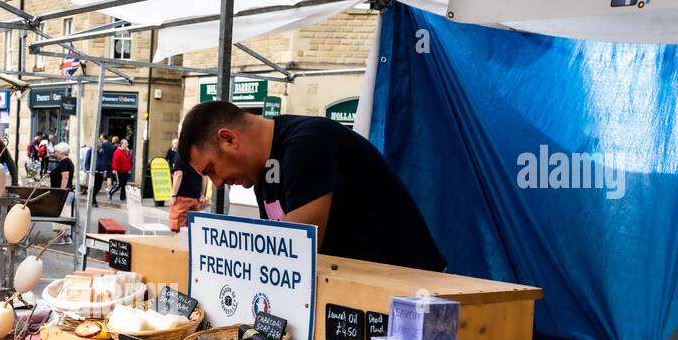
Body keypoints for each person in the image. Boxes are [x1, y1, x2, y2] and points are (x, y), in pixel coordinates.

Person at [177, 101, 446, 271]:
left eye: (212, 170)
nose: (219, 183)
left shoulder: (307, 144)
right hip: (365, 290)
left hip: (411, 290)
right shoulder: (264, 169)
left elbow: (294, 255)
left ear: (228, 139)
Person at [168, 153, 207, 232]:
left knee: (179, 230)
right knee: (192, 230)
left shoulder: (181, 154)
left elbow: (178, 174)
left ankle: (180, 244)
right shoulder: (199, 154)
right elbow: (204, 177)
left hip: (182, 198)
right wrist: (202, 194)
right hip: (196, 198)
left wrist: (173, 195)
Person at [91, 134, 111, 204]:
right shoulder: (91, 150)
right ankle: (93, 200)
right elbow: (87, 161)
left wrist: (105, 171)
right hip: (93, 172)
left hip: (101, 172)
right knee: (93, 186)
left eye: (101, 142)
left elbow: (104, 162)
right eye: (100, 143)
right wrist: (87, 170)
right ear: (96, 143)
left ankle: (92, 197)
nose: (101, 144)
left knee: (98, 187)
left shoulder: (102, 151)